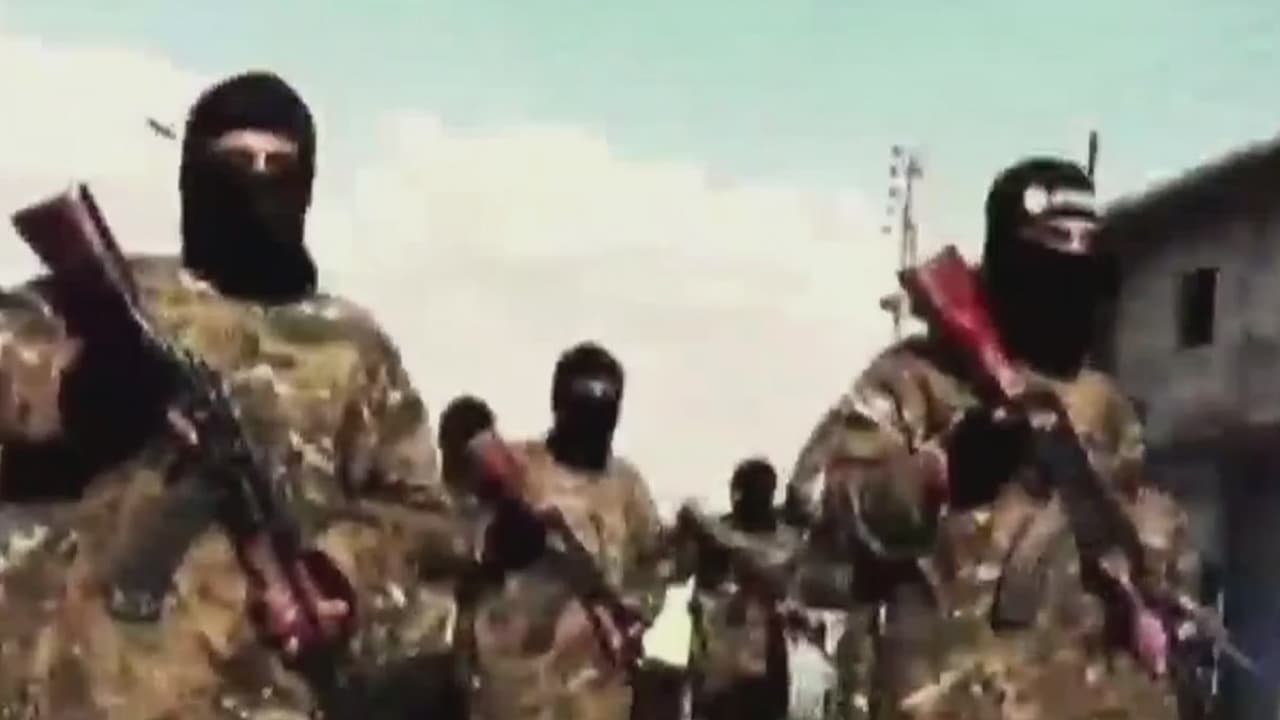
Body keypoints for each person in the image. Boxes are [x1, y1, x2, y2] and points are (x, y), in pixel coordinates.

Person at [0, 70, 448, 719]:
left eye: (278, 165)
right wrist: (74, 395)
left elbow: (423, 521)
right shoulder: (101, 301)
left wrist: (341, 572)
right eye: (235, 161)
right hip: (76, 694)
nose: (257, 181)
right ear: (192, 173)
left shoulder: (354, 349)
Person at [784, 157, 1208, 719]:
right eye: (1053, 244)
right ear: (1009, 260)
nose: (1071, 269)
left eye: (1086, 247)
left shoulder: (1105, 405)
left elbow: (1137, 539)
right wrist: (939, 473)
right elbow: (814, 506)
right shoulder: (917, 380)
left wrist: (1159, 587)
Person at [466, 341, 668, 720]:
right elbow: (469, 541)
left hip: (597, 693)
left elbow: (654, 567)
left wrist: (630, 616)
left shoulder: (628, 485)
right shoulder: (519, 466)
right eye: (584, 402)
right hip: (516, 691)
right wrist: (503, 536)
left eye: (605, 404)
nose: (594, 420)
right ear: (558, 402)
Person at [674, 457, 802, 720]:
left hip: (764, 666)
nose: (740, 500)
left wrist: (716, 539)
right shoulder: (713, 532)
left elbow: (775, 576)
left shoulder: (785, 540)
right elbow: (676, 570)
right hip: (715, 663)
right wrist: (682, 536)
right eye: (739, 492)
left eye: (751, 493)